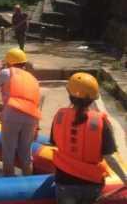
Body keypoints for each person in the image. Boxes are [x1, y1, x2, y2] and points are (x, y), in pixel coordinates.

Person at [51, 72, 127, 204]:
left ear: (70, 95)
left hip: (64, 182)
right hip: (92, 184)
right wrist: (125, 179)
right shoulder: (101, 122)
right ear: (93, 98)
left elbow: (54, 142)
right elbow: (109, 157)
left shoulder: (60, 116)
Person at [0, 48, 41, 176]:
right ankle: (28, 184)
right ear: (23, 63)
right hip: (32, 117)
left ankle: (9, 184)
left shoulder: (6, 72)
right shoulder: (32, 78)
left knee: (8, 154)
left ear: (9, 62)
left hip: (12, 115)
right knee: (26, 154)